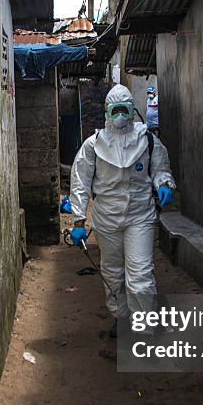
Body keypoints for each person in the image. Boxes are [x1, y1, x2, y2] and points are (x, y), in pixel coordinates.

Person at [68, 84, 175, 335]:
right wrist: (77, 220)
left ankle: (144, 327)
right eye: (115, 109)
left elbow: (160, 168)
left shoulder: (147, 140)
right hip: (107, 218)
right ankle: (121, 318)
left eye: (124, 109)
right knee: (113, 272)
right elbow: (80, 182)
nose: (120, 115)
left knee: (140, 273)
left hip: (140, 215)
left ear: (131, 109)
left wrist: (164, 183)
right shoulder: (94, 145)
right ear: (106, 111)